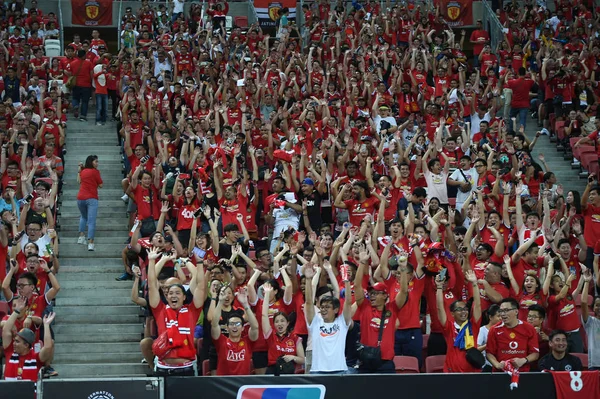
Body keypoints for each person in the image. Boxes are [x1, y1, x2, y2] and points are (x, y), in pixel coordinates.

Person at [147, 248, 205, 376]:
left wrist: (197, 263)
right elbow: (151, 284)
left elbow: (201, 285)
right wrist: (154, 260)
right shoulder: (160, 310)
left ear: (184, 297)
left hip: (187, 368)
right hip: (162, 368)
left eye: (178, 293)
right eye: (170, 293)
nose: (174, 296)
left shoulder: (192, 311)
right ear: (166, 297)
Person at [304, 263, 352, 374]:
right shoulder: (315, 322)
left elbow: (348, 303)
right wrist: (308, 279)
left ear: (335, 310)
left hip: (340, 371)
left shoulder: (342, 322)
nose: (323, 309)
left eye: (327, 307)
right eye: (322, 307)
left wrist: (347, 281)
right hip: (317, 371)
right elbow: (308, 302)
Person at [436, 270, 483, 372]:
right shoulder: (449, 327)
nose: (463, 312)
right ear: (452, 313)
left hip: (472, 372)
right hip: (451, 372)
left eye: (465, 309)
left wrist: (474, 283)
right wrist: (439, 287)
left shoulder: (473, 325)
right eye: (459, 310)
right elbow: (440, 307)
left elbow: (478, 305)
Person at [2, 296, 55, 381]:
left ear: (26, 345)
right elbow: (6, 330)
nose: (13, 343)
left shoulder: (35, 358)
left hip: (29, 394)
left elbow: (48, 346)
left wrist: (46, 325)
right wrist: (17, 310)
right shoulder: (10, 352)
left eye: (17, 341)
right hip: (10, 394)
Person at [211, 286, 259, 375]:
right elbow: (214, 324)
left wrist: (245, 304)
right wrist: (220, 302)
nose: (234, 327)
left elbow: (255, 327)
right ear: (227, 327)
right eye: (232, 324)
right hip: (223, 384)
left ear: (243, 327)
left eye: (237, 324)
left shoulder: (248, 342)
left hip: (242, 385)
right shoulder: (221, 342)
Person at [486, 298, 540, 372]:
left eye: (506, 310)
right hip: (500, 374)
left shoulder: (529, 328)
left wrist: (523, 360)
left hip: (522, 373)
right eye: (501, 311)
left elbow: (535, 353)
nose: (503, 314)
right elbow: (489, 353)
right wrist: (497, 365)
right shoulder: (494, 329)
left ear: (516, 311)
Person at [261, 284, 305, 375]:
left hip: (289, 371)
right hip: (272, 371)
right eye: (277, 321)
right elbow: (264, 315)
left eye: (282, 321)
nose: (279, 324)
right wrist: (267, 295)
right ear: (274, 324)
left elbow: (302, 359)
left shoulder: (295, 338)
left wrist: (293, 357)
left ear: (288, 323)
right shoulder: (270, 335)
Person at [77, 155, 103, 251]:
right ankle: (91, 243)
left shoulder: (83, 171)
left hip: (80, 198)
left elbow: (79, 181)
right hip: (92, 198)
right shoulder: (95, 172)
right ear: (91, 162)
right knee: (91, 221)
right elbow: (101, 185)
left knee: (83, 217)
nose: (97, 163)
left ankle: (81, 236)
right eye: (96, 161)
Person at [581, 270, 600, 370]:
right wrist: (587, 281)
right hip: (595, 364)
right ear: (593, 308)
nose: (599, 307)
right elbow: (584, 302)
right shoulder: (590, 322)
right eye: (597, 305)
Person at [68, 49, 94, 121]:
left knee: (75, 98)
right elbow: (92, 74)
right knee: (85, 101)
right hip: (86, 85)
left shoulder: (72, 63)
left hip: (76, 84)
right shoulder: (89, 63)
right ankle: (83, 116)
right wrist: (92, 84)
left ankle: (75, 106)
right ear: (84, 55)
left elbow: (70, 74)